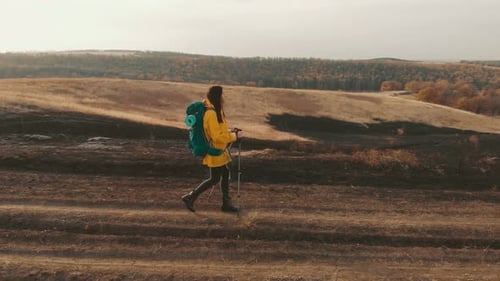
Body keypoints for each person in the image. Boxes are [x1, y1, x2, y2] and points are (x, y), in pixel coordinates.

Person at [181, 85, 241, 213]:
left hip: (218, 151)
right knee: (215, 178)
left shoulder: (213, 110)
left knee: (223, 174)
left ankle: (225, 204)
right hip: (215, 151)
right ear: (218, 96)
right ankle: (191, 197)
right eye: (222, 95)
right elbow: (216, 137)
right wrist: (234, 136)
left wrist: (231, 132)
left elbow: (218, 131)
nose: (223, 98)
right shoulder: (211, 113)